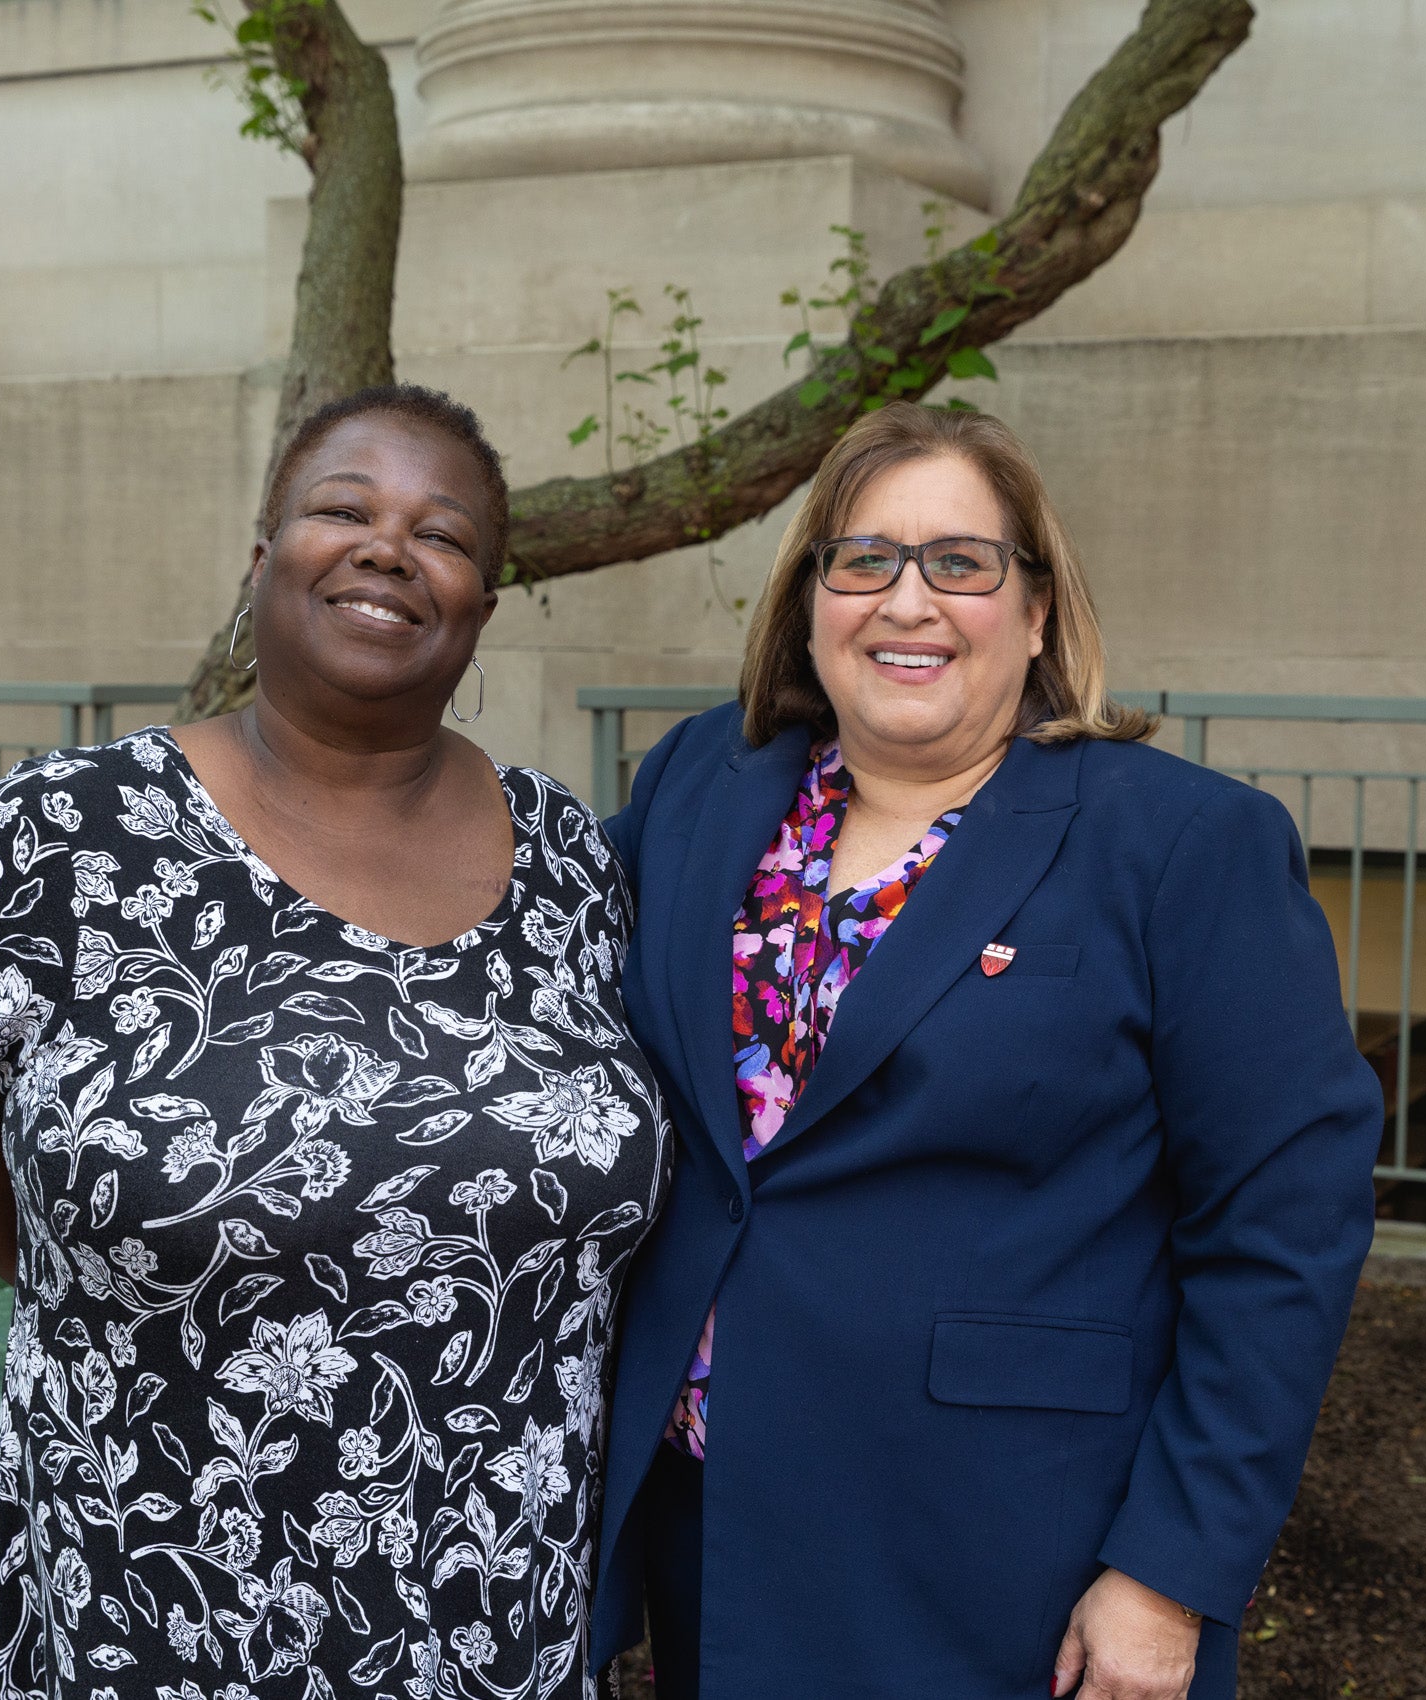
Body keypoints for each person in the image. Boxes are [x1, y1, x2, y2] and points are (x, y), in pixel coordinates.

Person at [0, 385, 668, 1700]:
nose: (386, 548)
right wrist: (111, 1285)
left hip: (491, 1627)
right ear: (261, 561)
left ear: (481, 601)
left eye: (443, 534)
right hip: (154, 1614)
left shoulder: (576, 862)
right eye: (340, 509)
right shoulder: (62, 840)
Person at [590, 402, 1384, 1700]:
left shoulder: (1178, 845)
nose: (909, 601)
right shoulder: (694, 787)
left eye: (960, 562)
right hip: (711, 1535)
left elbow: (1282, 1236)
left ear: (1033, 610)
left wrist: (1170, 1569)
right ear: (807, 605)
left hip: (1007, 1559)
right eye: (864, 561)